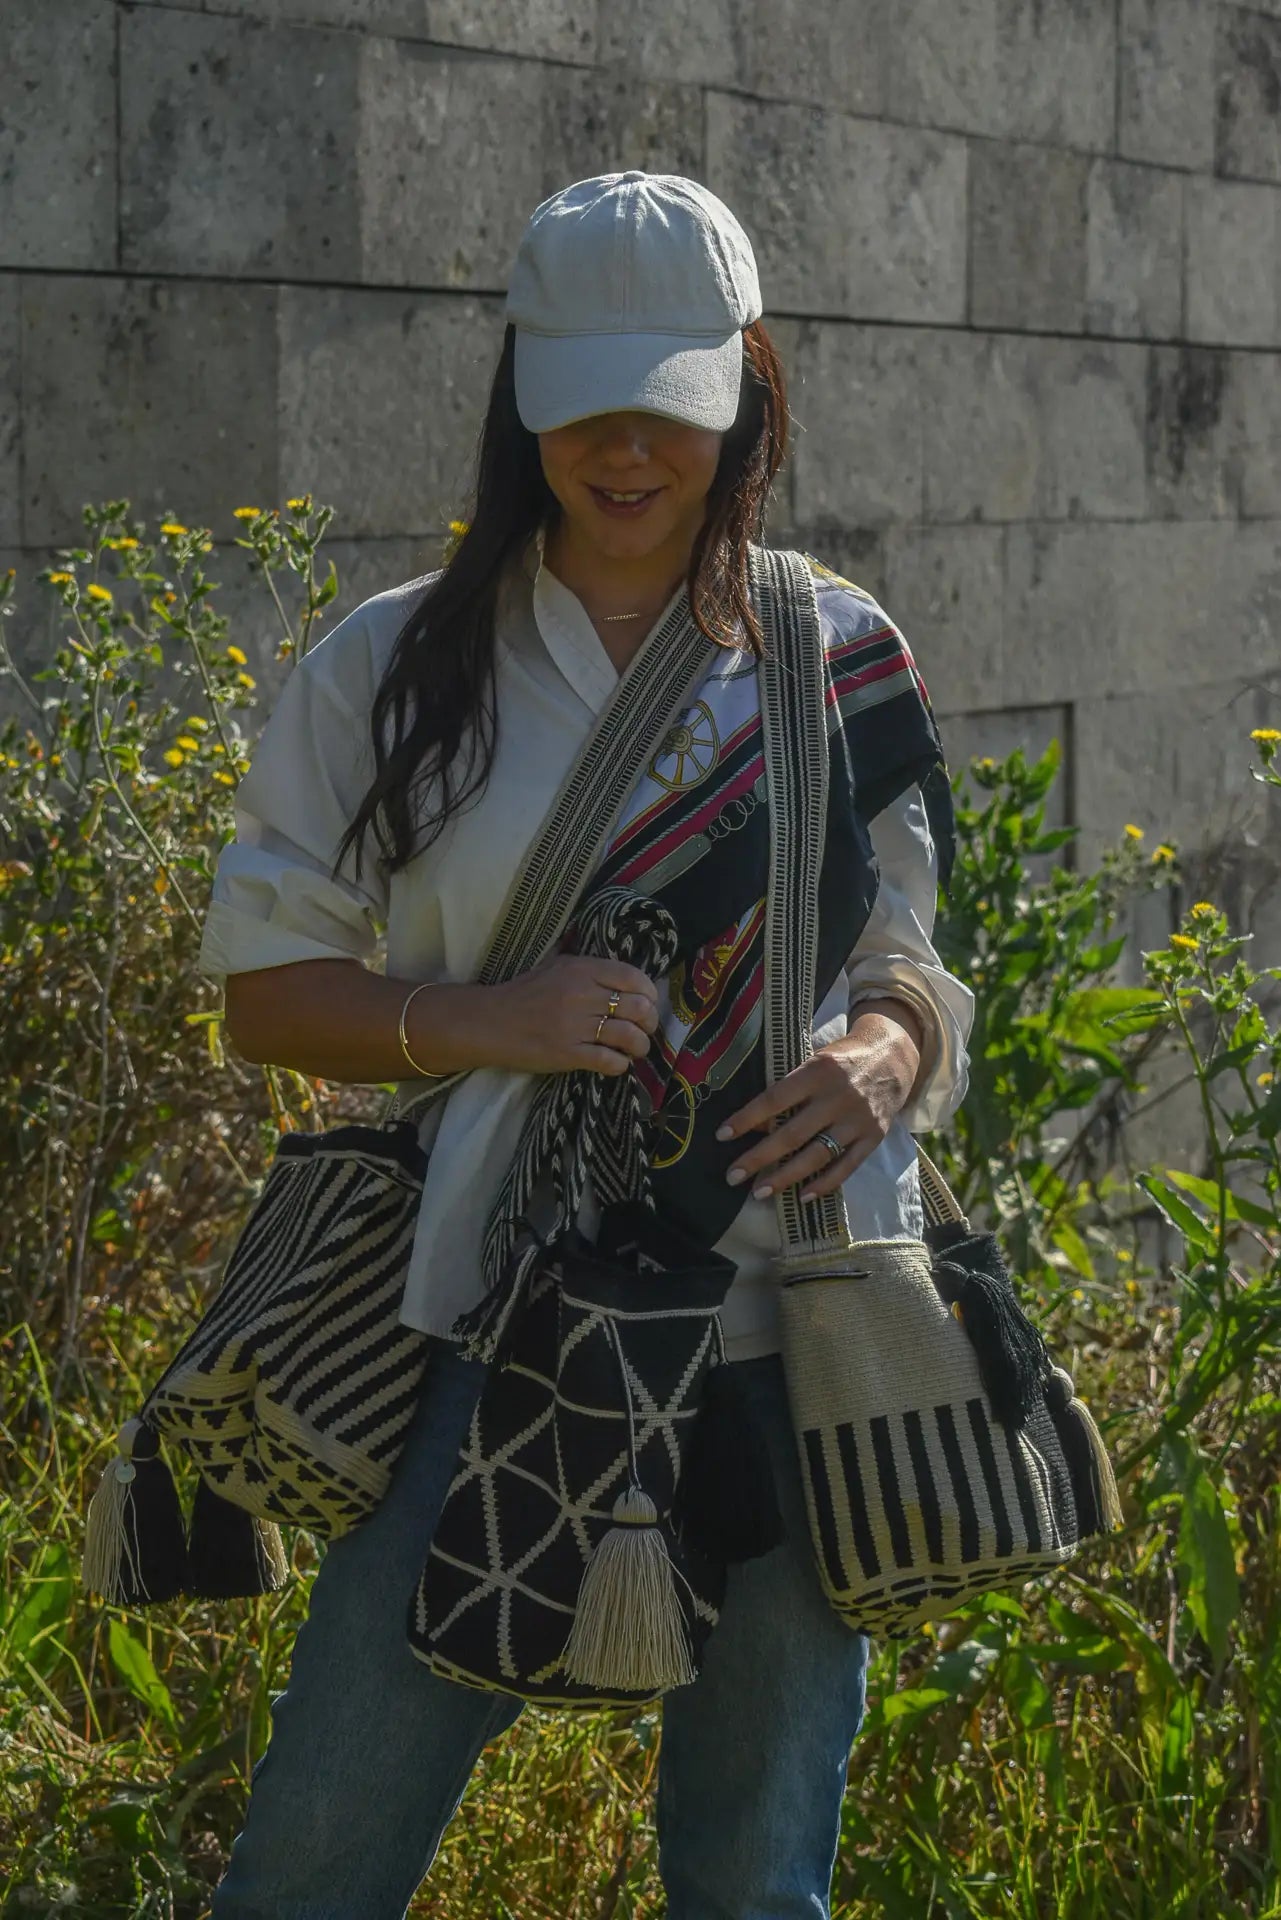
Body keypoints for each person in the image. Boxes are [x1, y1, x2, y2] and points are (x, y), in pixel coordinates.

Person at [201, 171, 974, 1920]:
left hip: (797, 1334)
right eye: (582, 409)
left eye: (672, 409)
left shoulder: (834, 654)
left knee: (754, 1878)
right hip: (495, 1324)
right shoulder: (396, 666)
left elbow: (912, 963)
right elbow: (263, 989)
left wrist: (880, 1053)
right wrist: (488, 1020)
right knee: (316, 1858)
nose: (626, 451)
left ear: (749, 386)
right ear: (520, 398)